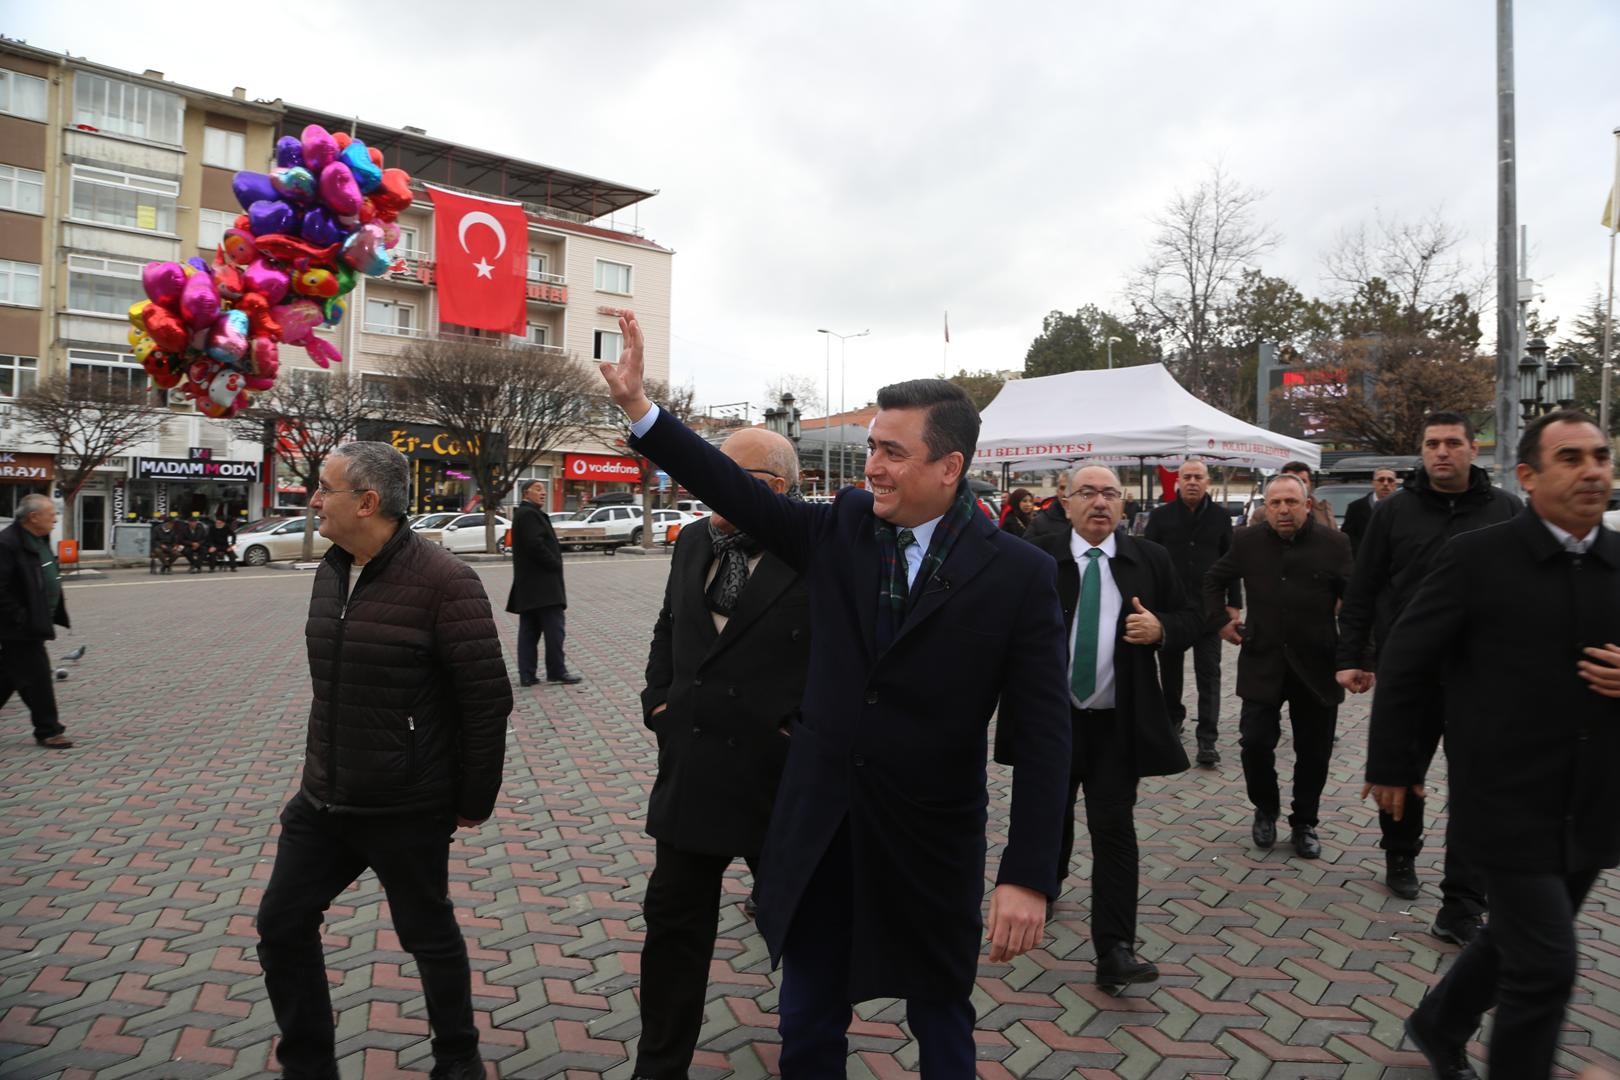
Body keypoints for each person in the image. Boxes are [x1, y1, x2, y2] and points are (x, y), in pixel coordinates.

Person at [602, 312, 1071, 1078]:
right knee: (808, 1021)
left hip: (929, 840)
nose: (871, 468)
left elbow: (1047, 736)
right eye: (871, 448)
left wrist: (1027, 874)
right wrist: (641, 411)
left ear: (949, 467)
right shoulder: (843, 528)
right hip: (819, 829)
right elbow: (737, 492)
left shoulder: (1018, 575)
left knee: (942, 1020)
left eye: (892, 452)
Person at [1367, 410, 1620, 1080]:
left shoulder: (1618, 561)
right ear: (1528, 476)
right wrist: (1393, 763)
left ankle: (1439, 1022)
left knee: (1513, 938)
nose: (1592, 470)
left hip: (1593, 799)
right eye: (1571, 458)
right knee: (1547, 964)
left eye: (1600, 456)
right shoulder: (1477, 559)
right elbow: (1406, 659)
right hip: (1505, 801)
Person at [254, 442, 511, 1080]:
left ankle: (458, 1058)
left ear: (367, 502)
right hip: (325, 797)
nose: (313, 499)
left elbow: (486, 701)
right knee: (281, 923)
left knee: (427, 935)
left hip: (406, 804)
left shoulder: (447, 581)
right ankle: (308, 1066)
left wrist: (472, 800)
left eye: (325, 488)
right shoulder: (331, 570)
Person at [633, 428, 812, 1080]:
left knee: (803, 930)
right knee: (673, 930)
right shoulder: (694, 541)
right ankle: (660, 1066)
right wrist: (658, 702)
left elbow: (849, 653)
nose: (715, 489)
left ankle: (810, 1052)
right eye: (709, 473)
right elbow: (668, 625)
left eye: (734, 478)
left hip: (779, 779)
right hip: (694, 770)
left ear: (779, 489)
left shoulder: (815, 549)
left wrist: (805, 731)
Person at [1336, 413, 1520, 942]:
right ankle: (1400, 853)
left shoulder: (1507, 511)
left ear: (1472, 449)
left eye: (1453, 443)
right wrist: (1353, 655)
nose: (1442, 452)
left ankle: (1463, 903)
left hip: (1481, 674)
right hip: (1409, 670)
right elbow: (1364, 588)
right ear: (1422, 451)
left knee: (1477, 788)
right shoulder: (1395, 511)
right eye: (1433, 443)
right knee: (1401, 771)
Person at [1016, 465, 1198, 991]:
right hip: (1052, 722)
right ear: (1065, 503)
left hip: (1118, 723)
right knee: (1050, 815)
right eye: (1088, 493)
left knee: (1114, 828)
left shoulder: (1150, 559)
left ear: (1123, 504)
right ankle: (1045, 884)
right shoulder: (1037, 558)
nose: (1100, 502)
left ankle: (1115, 949)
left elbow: (1192, 617)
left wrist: (1162, 628)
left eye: (1110, 494)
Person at [1204, 473, 1352, 859]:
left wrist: (1358, 659)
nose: (1283, 510)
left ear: (1307, 505)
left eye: (1291, 502)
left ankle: (1305, 822)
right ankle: (1265, 809)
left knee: (1314, 751)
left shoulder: (1334, 544)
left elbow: (1355, 602)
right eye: (1275, 503)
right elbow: (1213, 579)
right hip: (1263, 660)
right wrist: (1220, 620)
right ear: (1265, 508)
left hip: (1317, 664)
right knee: (1254, 743)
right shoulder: (1246, 541)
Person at [1142, 457, 1238, 765]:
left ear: (1207, 481)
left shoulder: (1221, 517)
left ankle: (1207, 739)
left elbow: (1232, 560)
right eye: (1187, 477)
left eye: (1198, 477)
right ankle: (1173, 721)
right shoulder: (1161, 516)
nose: (1193, 482)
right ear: (1178, 482)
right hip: (1171, 611)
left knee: (1209, 675)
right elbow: (1148, 561)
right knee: (1170, 674)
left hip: (1210, 611)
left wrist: (1234, 603)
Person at [0, 494, 72, 749]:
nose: (55, 519)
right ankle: (48, 730)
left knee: (9, 674)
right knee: (38, 678)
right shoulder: (8, 543)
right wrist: (21, 617)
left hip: (33, 621)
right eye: (51, 515)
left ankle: (47, 728)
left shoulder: (38, 538)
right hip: (18, 627)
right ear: (33, 517)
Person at [505, 480, 580, 686]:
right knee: (555, 630)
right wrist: (554, 562)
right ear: (525, 493)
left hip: (529, 587)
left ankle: (527, 674)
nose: (543, 492)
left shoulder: (525, 513)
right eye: (538, 488)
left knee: (529, 631)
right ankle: (556, 671)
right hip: (543, 586)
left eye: (544, 489)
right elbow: (534, 545)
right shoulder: (529, 514)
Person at [1340, 466, 1399, 554]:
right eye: (1381, 480)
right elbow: (1348, 536)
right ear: (1373, 483)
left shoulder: (1404, 508)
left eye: (1390, 480)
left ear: (1395, 485)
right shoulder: (1355, 508)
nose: (1386, 484)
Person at [1280, 460, 1338, 531]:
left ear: (1310, 484)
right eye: (1293, 481)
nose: (1299, 485)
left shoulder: (1324, 511)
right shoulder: (1269, 511)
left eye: (1303, 481)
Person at [1024, 474, 1071, 542]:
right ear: (1057, 491)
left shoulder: (1086, 520)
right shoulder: (1039, 522)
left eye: (1070, 488)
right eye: (1062, 488)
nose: (1065, 493)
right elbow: (1025, 546)